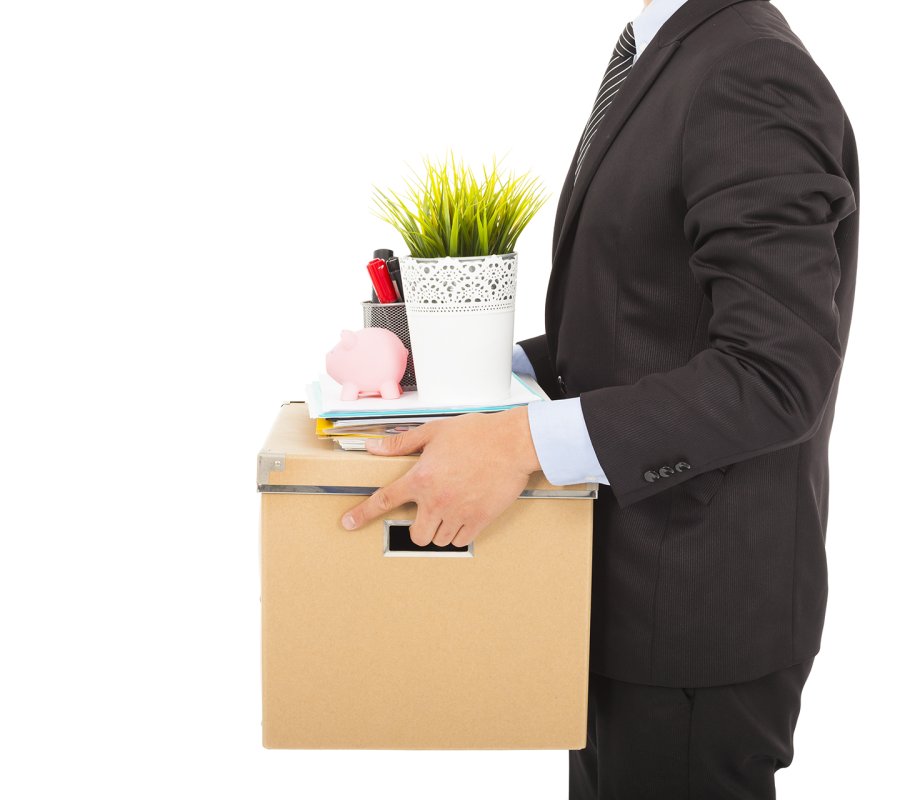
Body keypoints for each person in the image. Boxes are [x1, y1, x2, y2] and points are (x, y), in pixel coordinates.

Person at [340, 0, 859, 795]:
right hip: (623, 595)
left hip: (693, 618)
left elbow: (775, 371)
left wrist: (521, 445)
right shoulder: (668, 52)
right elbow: (643, 324)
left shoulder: (749, 71)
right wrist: (467, 375)